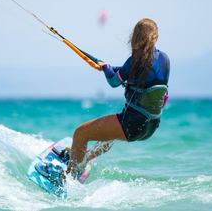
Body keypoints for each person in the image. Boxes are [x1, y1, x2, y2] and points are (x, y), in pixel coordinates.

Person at [67, 18, 170, 176]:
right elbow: (149, 81)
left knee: (80, 134)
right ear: (156, 37)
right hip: (151, 125)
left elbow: (114, 82)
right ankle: (85, 157)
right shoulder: (165, 59)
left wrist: (107, 69)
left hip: (131, 125)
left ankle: (70, 176)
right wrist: (109, 67)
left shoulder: (135, 60)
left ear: (134, 37)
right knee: (110, 132)